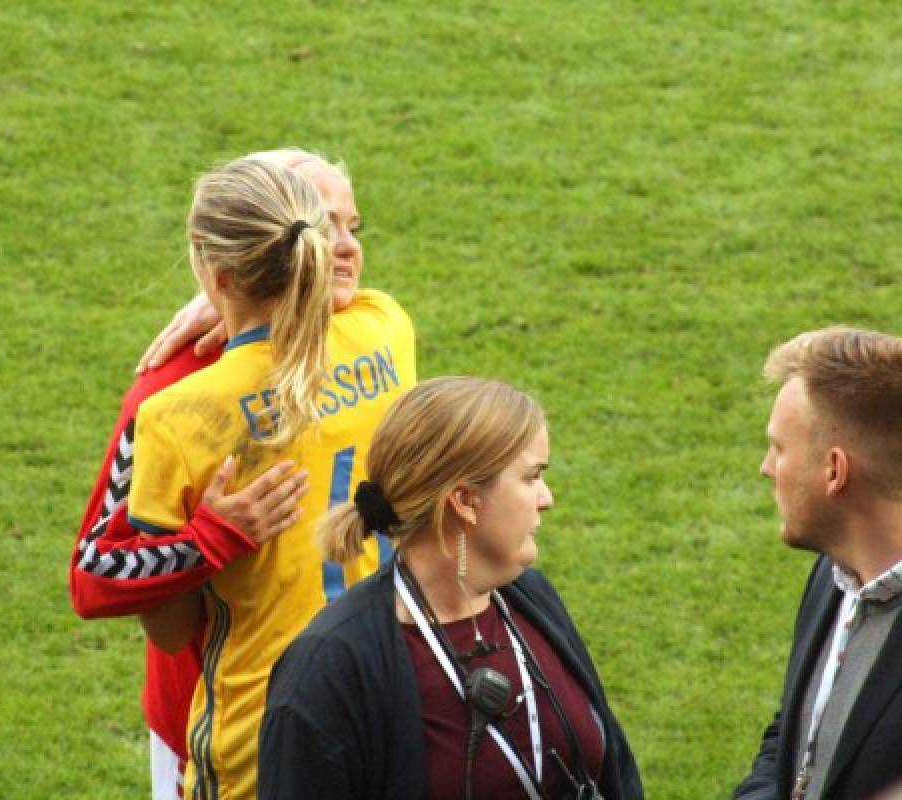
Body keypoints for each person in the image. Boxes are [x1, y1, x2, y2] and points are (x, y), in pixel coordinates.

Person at [69, 147, 386, 799]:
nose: (346, 249)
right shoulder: (382, 333)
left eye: (355, 228)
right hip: (328, 692)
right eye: (327, 229)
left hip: (242, 726)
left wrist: (206, 540)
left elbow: (117, 587)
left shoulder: (180, 398)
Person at [259, 377, 644, 800]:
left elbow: (615, 769)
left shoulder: (529, 598)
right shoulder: (330, 669)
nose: (547, 498)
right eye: (531, 477)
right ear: (464, 501)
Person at [733, 327, 902, 800]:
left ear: (834, 470)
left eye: (779, 448)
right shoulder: (834, 575)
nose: (767, 467)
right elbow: (796, 734)